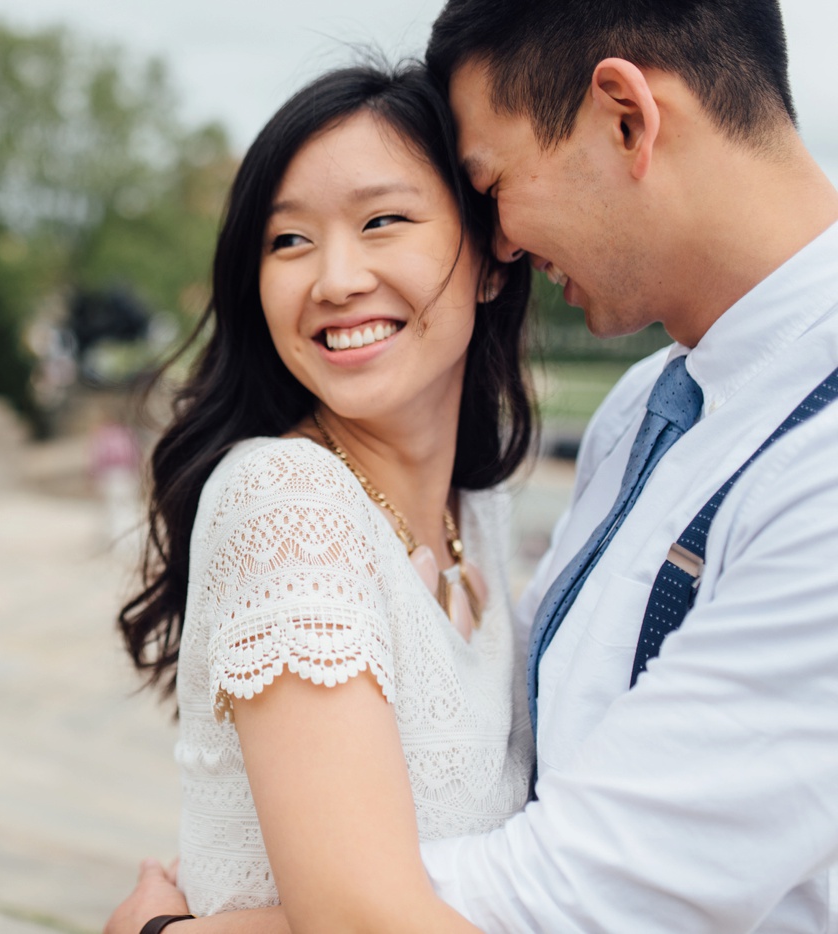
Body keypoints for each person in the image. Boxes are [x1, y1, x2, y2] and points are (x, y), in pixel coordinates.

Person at [108, 0, 838, 931]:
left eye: (489, 186)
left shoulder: (815, 467)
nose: (503, 241)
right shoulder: (637, 416)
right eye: (289, 240)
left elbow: (580, 892)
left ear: (628, 118)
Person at [114, 62, 535, 931]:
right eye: (288, 241)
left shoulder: (478, 514)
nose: (335, 279)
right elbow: (358, 920)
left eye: (383, 221)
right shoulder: (286, 502)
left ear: (491, 259)